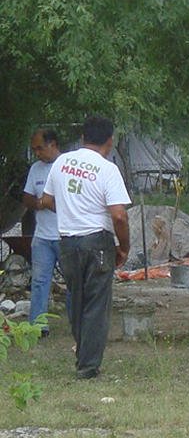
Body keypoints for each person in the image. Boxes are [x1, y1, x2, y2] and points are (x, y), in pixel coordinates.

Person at [39, 115, 131, 379]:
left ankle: (82, 356)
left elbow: (46, 200)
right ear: (110, 141)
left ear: (82, 138)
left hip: (67, 242)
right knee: (96, 305)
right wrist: (123, 247)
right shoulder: (107, 169)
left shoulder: (61, 163)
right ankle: (88, 367)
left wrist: (70, 209)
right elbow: (119, 215)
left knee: (77, 301)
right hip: (97, 241)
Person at [21, 128, 62, 334]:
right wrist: (39, 203)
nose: (37, 152)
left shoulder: (66, 166)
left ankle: (77, 321)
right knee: (39, 281)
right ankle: (38, 325)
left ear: (53, 144)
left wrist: (54, 204)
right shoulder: (36, 169)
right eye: (34, 149)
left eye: (40, 148)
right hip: (42, 236)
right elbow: (26, 197)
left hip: (66, 235)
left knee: (74, 281)